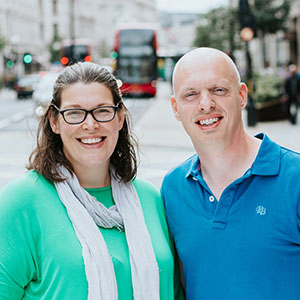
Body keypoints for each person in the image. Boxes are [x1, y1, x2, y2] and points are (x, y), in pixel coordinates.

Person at [0, 62, 184, 300]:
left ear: (119, 118)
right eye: (74, 113)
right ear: (54, 121)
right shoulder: (22, 201)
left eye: (102, 111)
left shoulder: (151, 199)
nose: (90, 124)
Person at [161, 47, 300, 300]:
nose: (206, 104)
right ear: (175, 108)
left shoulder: (295, 178)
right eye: (191, 94)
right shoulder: (173, 188)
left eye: (218, 90)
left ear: (242, 95)